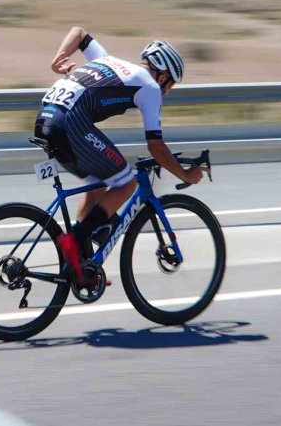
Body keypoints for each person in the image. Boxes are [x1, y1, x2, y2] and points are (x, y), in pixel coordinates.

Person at [34, 27, 205, 283]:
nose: (168, 92)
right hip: (69, 123)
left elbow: (79, 34)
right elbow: (156, 148)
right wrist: (186, 175)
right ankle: (74, 241)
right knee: (126, 182)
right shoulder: (150, 87)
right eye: (170, 84)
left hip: (45, 118)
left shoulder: (108, 60)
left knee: (96, 184)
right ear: (162, 76)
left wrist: (58, 58)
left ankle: (82, 267)